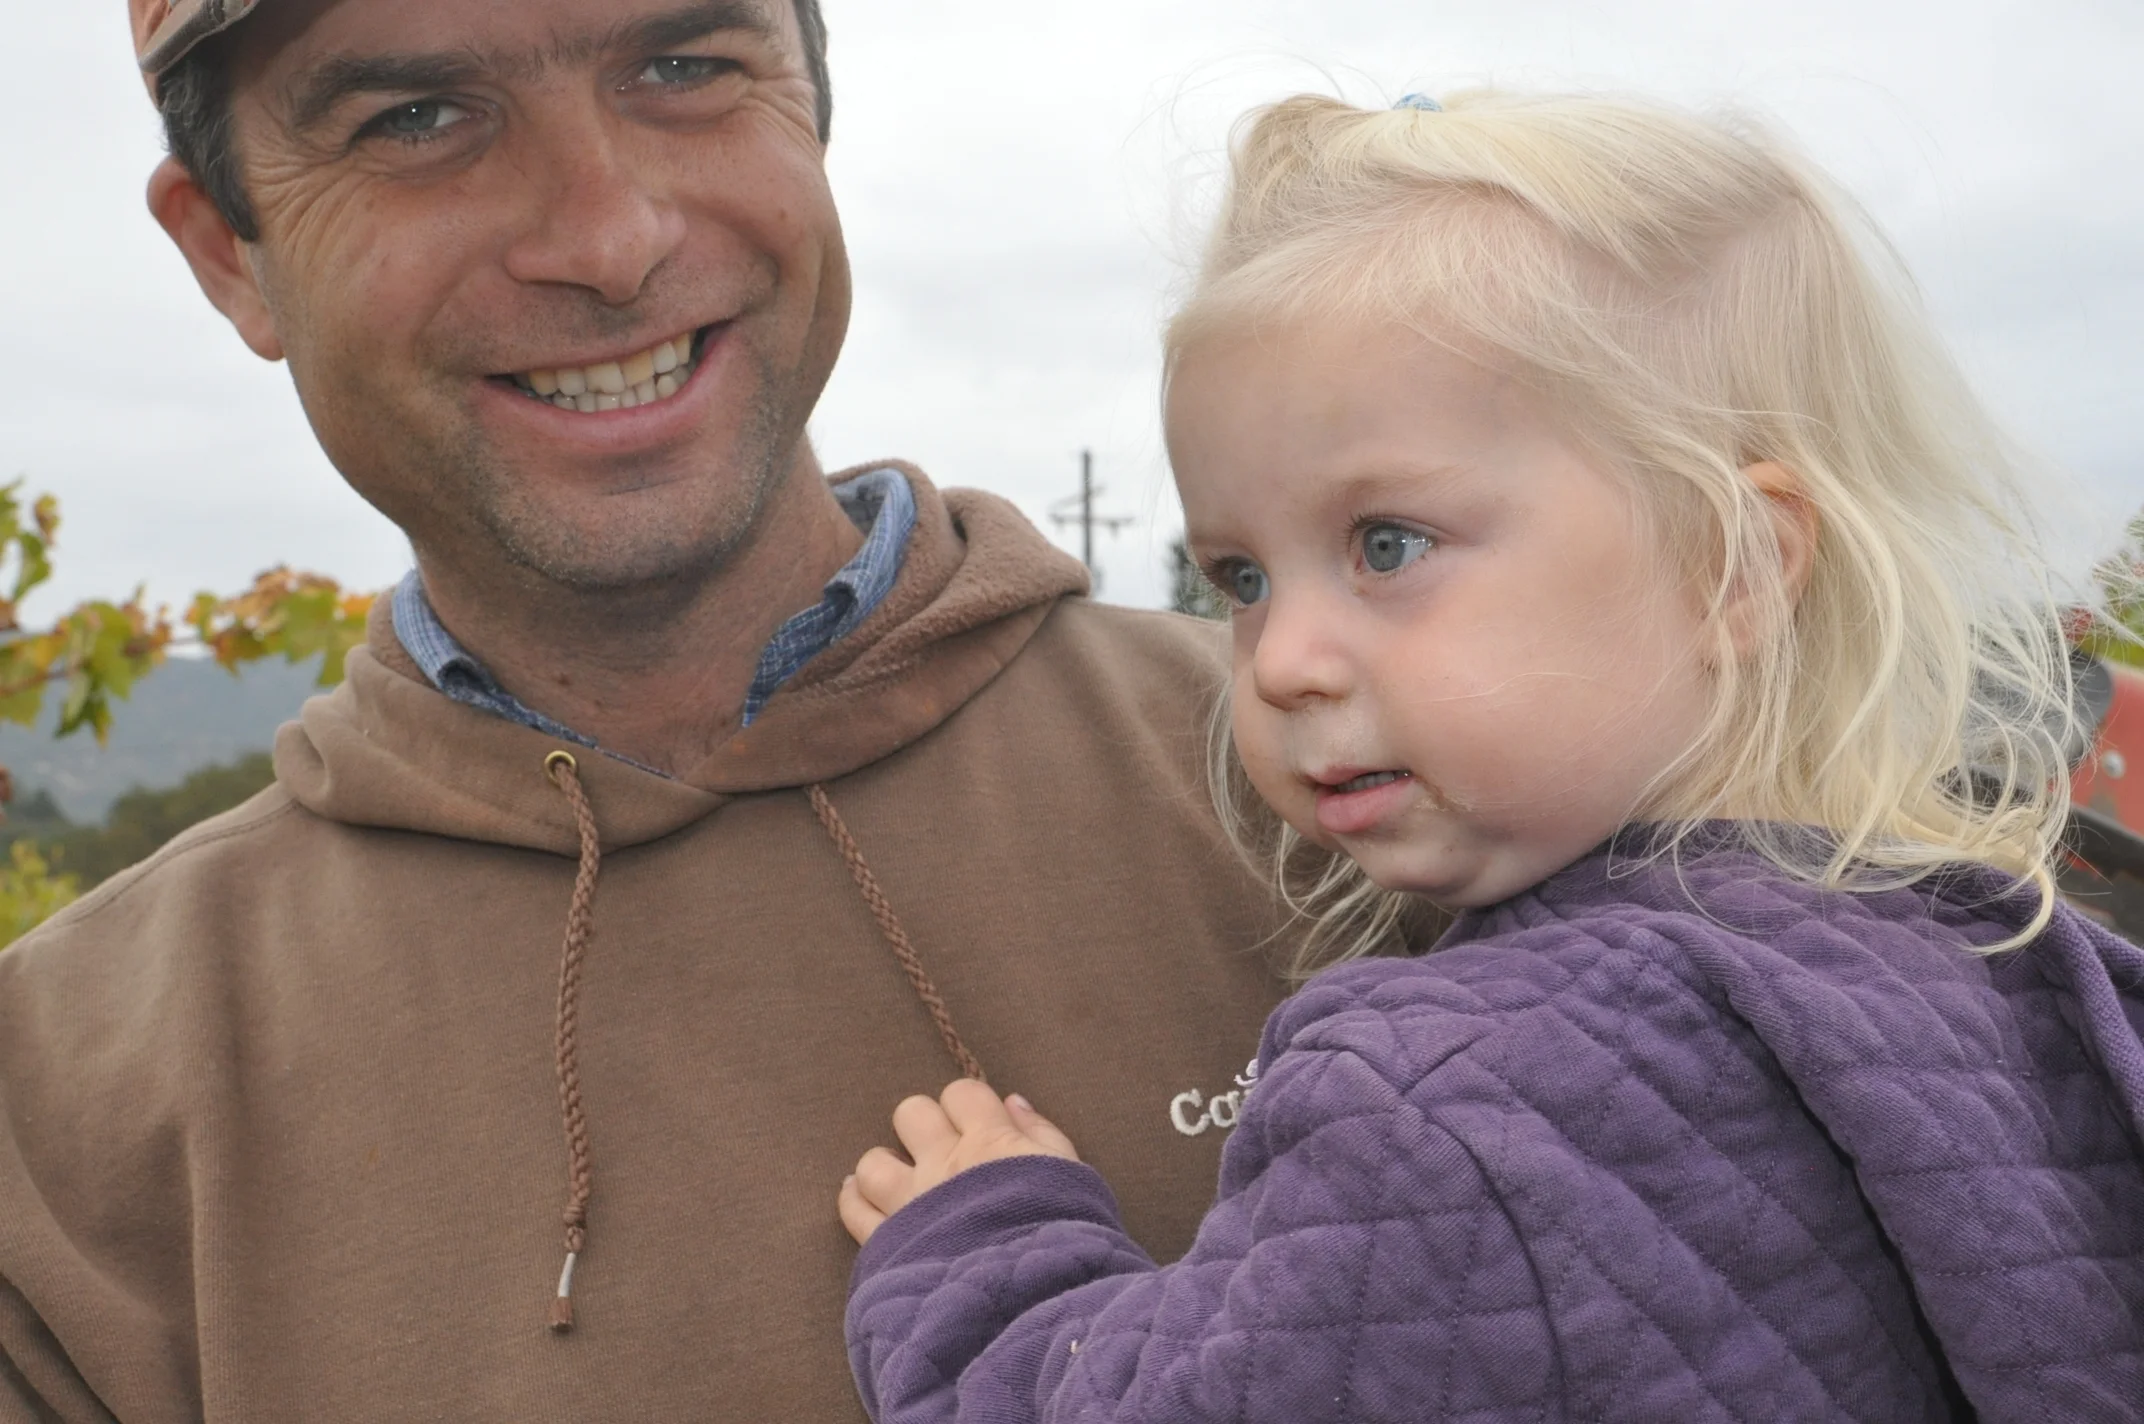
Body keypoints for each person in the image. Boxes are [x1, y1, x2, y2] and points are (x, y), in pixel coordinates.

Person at [0, 1, 1296, 1418]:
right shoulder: (59, 1125)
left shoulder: (1376, 807)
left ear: (812, 104)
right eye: (414, 119)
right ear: (226, 254)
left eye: (685, 66)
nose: (610, 240)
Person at [838, 91, 2144, 1420]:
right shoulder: (2012, 968)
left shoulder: (1443, 1099)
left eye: (1387, 544)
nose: (1283, 656)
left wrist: (991, 1259)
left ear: (1733, 564)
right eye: (1241, 575)